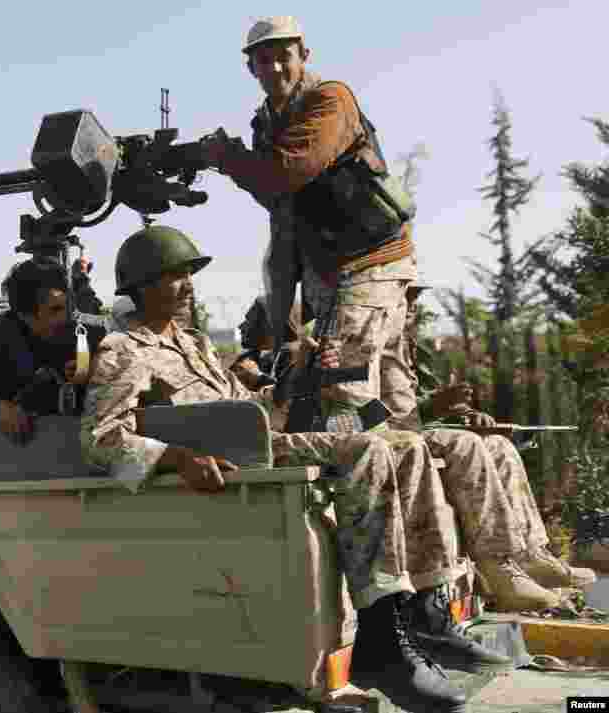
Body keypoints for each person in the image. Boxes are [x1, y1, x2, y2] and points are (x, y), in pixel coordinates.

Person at [82, 226, 509, 712]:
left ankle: (426, 614)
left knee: (406, 446)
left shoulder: (194, 342)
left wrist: (296, 380)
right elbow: (100, 437)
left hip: (257, 444)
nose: (188, 286)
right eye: (174, 277)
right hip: (231, 466)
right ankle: (380, 642)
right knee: (364, 452)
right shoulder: (124, 349)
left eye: (189, 275)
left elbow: (249, 409)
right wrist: (177, 457)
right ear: (140, 286)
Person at [201, 16, 417, 432]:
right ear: (251, 69)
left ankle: (373, 482)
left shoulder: (329, 100)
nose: (275, 69)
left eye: (284, 57)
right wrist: (281, 320)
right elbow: (278, 204)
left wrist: (225, 158)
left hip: (367, 265)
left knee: (342, 395)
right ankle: (413, 475)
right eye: (264, 61)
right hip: (336, 271)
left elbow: (288, 172)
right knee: (391, 402)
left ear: (305, 56)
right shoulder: (269, 122)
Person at [382, 284, 596, 609]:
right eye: (405, 298)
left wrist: (466, 413)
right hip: (391, 438)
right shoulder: (371, 348)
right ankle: (498, 565)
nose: (412, 307)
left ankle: (528, 554)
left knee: (498, 445)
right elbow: (386, 414)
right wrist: (434, 408)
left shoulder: (408, 347)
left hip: (419, 432)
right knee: (466, 445)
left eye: (415, 300)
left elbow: (424, 401)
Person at [0, 258, 104, 444]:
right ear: (24, 314)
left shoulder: (84, 334)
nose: (66, 318)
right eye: (55, 310)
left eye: (67, 307)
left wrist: (98, 369)